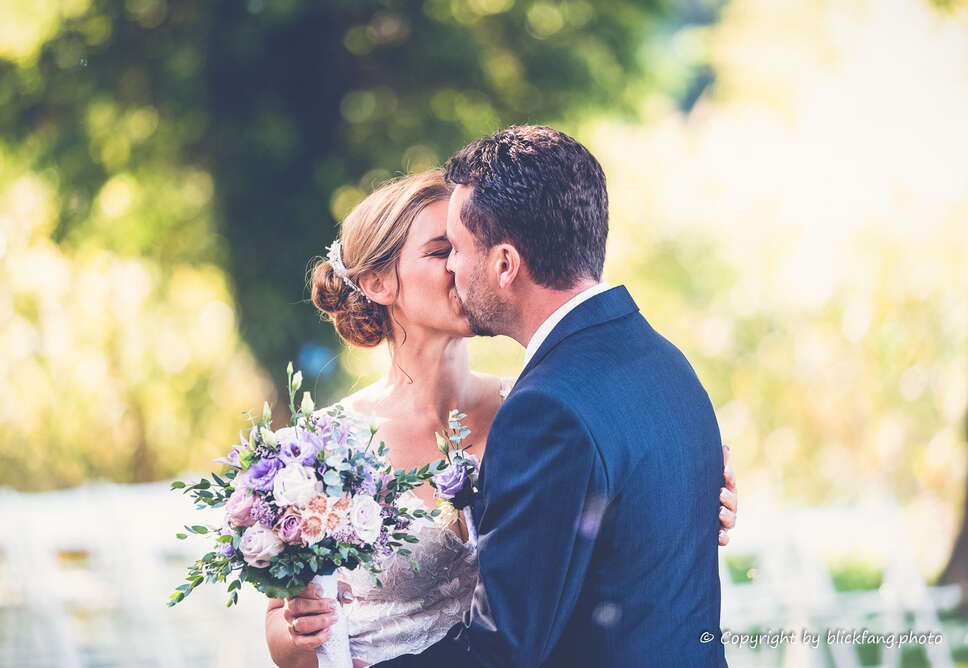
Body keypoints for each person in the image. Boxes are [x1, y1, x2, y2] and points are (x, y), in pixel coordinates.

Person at [265, 164, 737, 668]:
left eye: (463, 246)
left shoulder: (541, 410)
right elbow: (279, 623)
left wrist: (682, 497)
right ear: (379, 282)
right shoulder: (321, 445)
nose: (461, 265)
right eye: (440, 251)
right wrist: (299, 633)